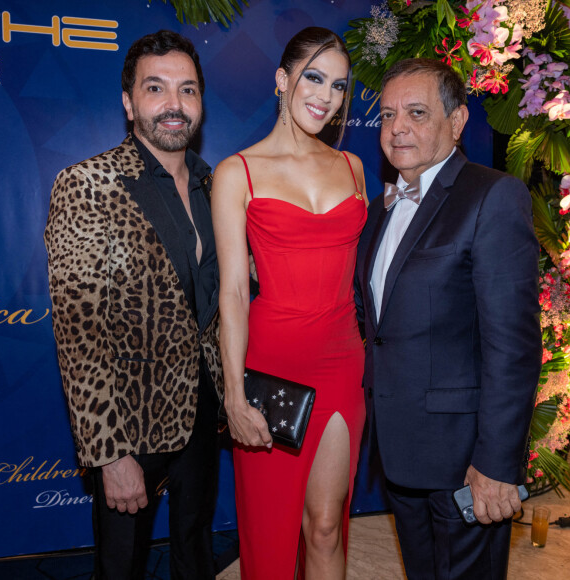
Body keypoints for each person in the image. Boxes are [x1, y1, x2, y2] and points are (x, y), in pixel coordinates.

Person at [44, 30, 222, 580]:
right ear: (129, 102)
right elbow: (80, 335)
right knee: (121, 567)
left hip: (204, 411)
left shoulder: (216, 185)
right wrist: (109, 454)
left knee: (196, 553)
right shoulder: (86, 185)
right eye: (156, 88)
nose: (174, 104)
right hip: (129, 425)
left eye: (187, 89)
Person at [355, 57, 542, 579]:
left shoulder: (492, 196)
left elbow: (515, 347)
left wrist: (497, 465)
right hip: (399, 453)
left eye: (416, 112)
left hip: (466, 463)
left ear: (457, 122)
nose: (398, 128)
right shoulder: (380, 210)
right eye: (389, 115)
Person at [212, 26, 367, 580]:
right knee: (272, 532)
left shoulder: (354, 168)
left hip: (344, 361)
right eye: (314, 78)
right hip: (275, 364)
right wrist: (234, 393)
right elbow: (233, 290)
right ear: (282, 80)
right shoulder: (238, 172)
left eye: (340, 86)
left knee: (326, 525)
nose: (326, 96)